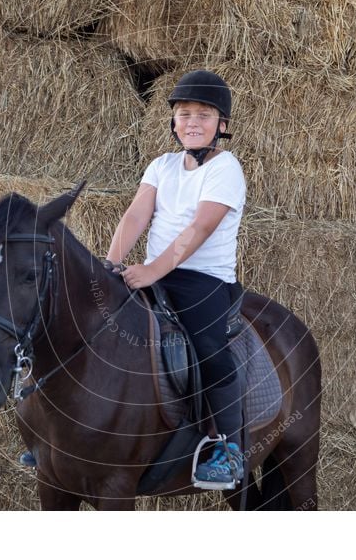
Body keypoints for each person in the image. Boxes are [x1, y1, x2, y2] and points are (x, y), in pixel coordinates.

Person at [106, 69, 246, 486]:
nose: (193, 122)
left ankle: (226, 447)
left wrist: (150, 270)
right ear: (173, 122)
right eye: (184, 114)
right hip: (154, 275)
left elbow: (200, 229)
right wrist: (112, 262)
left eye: (204, 115)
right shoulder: (161, 165)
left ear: (222, 125)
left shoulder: (225, 169)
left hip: (203, 280)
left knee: (209, 351)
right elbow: (137, 214)